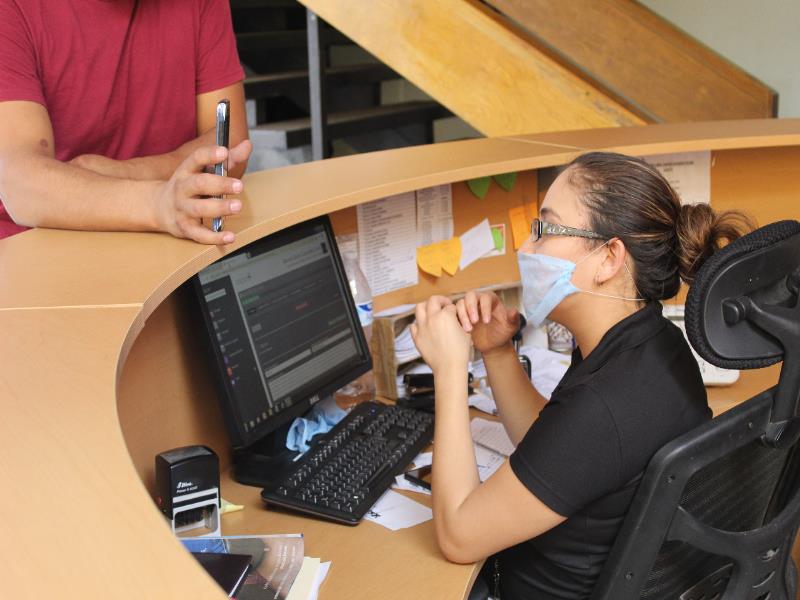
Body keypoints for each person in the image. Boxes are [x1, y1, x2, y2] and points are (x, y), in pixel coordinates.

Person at [410, 152, 754, 599]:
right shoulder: (649, 344)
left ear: (609, 257)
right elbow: (557, 448)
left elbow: (458, 536)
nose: (525, 249)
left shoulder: (607, 404)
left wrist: (450, 371)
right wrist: (495, 351)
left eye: (544, 230)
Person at [0, 0, 252, 245]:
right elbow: (19, 182)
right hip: (38, 246)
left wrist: (128, 172)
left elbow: (230, 141)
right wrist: (157, 203)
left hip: (170, 240)